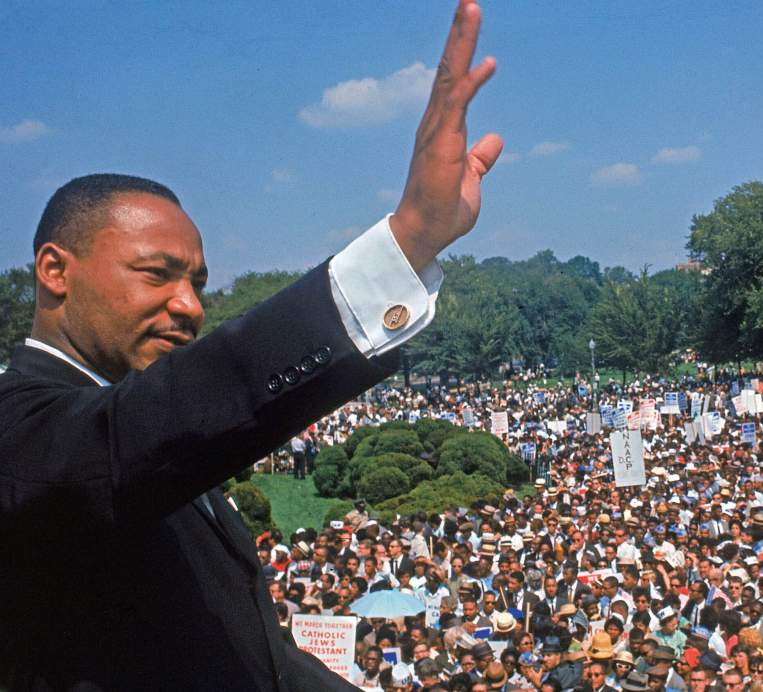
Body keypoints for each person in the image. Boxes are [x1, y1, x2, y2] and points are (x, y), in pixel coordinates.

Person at [0, 1, 502, 688]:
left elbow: (253, 659)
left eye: (198, 282)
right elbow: (165, 416)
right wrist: (408, 240)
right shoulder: (25, 434)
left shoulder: (156, 461)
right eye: (157, 274)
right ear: (56, 271)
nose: (189, 306)